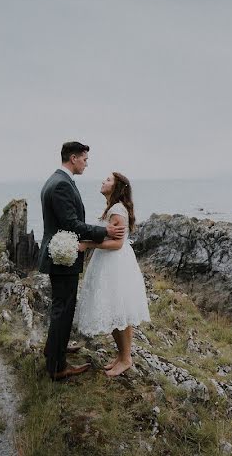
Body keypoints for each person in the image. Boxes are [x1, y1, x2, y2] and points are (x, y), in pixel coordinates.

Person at [38, 141, 123, 381]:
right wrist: (104, 231)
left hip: (58, 255)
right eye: (84, 159)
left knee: (61, 307)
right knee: (63, 310)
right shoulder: (62, 185)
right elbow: (71, 225)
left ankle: (54, 349)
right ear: (73, 158)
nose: (86, 163)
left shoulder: (56, 180)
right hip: (62, 257)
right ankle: (57, 367)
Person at [75, 171, 151, 377]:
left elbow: (117, 244)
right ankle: (121, 355)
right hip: (110, 262)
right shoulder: (114, 208)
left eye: (108, 180)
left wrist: (88, 244)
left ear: (117, 187)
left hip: (115, 264)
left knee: (120, 311)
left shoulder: (117, 209)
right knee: (116, 311)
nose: (102, 181)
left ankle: (126, 359)